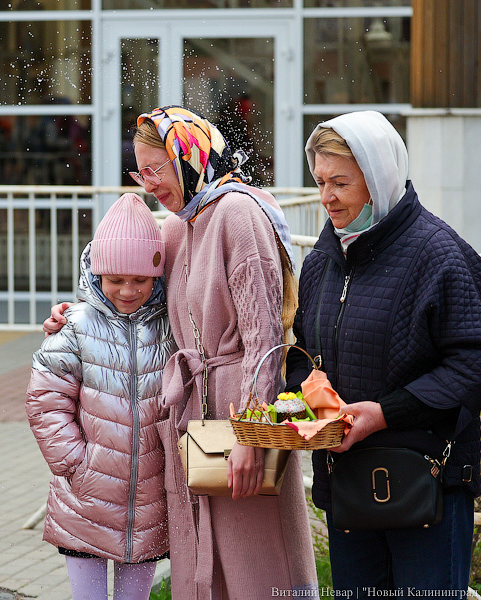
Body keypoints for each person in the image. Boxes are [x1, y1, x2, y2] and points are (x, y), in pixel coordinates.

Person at [45, 105, 317, 598]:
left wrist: (253, 436)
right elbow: (133, 300)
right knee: (201, 560)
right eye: (140, 173)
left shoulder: (238, 213)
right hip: (189, 417)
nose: (149, 184)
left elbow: (263, 337)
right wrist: (77, 317)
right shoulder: (175, 226)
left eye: (157, 169)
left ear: (189, 158)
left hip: (239, 411)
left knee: (257, 560)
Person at [285, 110, 481, 594]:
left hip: (426, 487)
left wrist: (384, 414)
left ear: (378, 176)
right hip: (347, 485)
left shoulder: (441, 255)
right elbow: (301, 351)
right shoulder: (322, 261)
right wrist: (304, 395)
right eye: (320, 182)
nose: (326, 197)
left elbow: (479, 359)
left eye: (340, 183)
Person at [26, 193, 175, 600]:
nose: (128, 290)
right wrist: (75, 464)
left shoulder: (170, 324)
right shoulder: (75, 325)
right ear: (97, 274)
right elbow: (46, 401)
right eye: (115, 280)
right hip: (85, 498)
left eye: (140, 280)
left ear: (157, 277)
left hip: (148, 502)